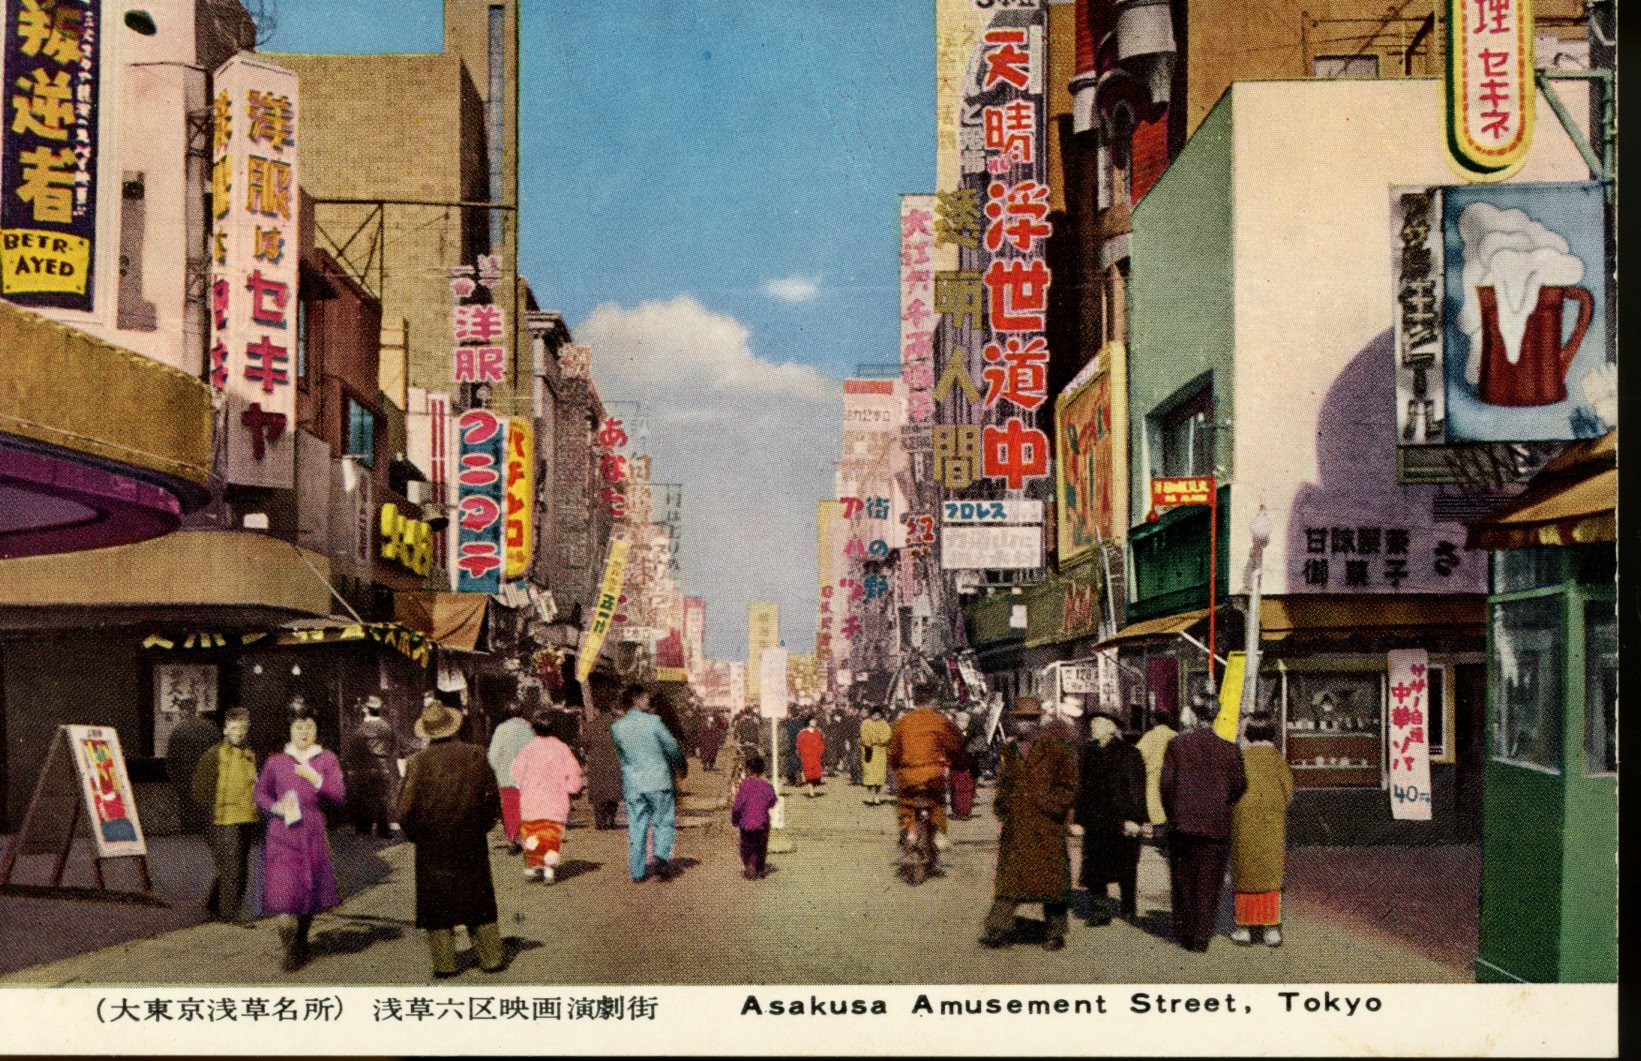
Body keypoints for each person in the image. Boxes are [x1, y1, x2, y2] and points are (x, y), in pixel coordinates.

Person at [397, 697, 506, 977]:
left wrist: (421, 836)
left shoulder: (417, 762)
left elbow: (404, 811)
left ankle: (445, 964)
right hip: (471, 840)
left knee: (437, 906)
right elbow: (492, 798)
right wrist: (481, 826)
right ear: (454, 727)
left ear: (428, 732)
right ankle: (491, 957)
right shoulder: (477, 754)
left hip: (432, 845)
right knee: (478, 900)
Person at [254, 701, 346, 971]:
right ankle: (290, 949)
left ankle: (302, 939)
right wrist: (275, 807)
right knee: (283, 892)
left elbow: (338, 795)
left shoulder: (326, 759)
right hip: (282, 834)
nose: (304, 732)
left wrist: (316, 779)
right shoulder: (276, 761)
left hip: (312, 831)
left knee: (309, 891)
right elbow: (260, 793)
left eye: (309, 727)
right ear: (289, 730)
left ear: (317, 730)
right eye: (298, 727)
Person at [981, 703, 1080, 950]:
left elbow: (1068, 785)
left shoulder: (1057, 749)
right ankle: (998, 928)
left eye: (1028, 719)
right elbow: (1004, 784)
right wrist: (1004, 809)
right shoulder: (1009, 750)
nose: (1023, 723)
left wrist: (1050, 806)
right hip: (1017, 826)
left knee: (1052, 882)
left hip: (1046, 825)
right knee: (1010, 880)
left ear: (1037, 721)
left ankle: (1055, 932)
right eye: (1019, 719)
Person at [1160, 708, 1248, 952]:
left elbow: (1166, 785)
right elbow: (1240, 785)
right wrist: (1223, 804)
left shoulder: (1177, 746)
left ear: (1193, 719)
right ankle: (1202, 934)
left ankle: (1186, 931)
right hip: (1215, 825)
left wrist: (1173, 813)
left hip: (1183, 825)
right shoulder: (1229, 749)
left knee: (1183, 878)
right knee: (1209, 881)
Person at [1075, 711, 1148, 924]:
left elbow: (1136, 788)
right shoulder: (1088, 752)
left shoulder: (1129, 752)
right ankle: (1100, 912)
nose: (1093, 726)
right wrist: (1079, 820)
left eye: (1098, 723)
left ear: (1111, 727)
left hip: (1121, 818)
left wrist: (1135, 819)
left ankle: (1128, 909)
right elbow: (1082, 789)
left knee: (1126, 866)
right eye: (1092, 723)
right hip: (1095, 819)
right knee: (1095, 867)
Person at [610, 685, 687, 882]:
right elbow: (671, 746)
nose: (648, 701)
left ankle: (637, 871)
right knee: (663, 820)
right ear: (636, 699)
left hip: (634, 784)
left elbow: (622, 756)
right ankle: (660, 855)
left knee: (636, 826)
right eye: (645, 697)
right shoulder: (654, 722)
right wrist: (681, 765)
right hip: (659, 781)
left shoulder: (617, 727)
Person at [1229, 717, 1294, 947]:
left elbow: (1231, 791)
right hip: (1271, 824)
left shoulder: (1240, 759)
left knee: (1244, 873)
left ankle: (1244, 929)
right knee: (1269, 873)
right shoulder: (1278, 760)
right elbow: (1288, 792)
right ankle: (1271, 930)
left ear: (1248, 735)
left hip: (1243, 823)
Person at [191, 707, 259, 924]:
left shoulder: (250, 755)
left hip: (247, 816)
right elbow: (200, 787)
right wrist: (211, 812)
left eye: (242, 728)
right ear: (225, 729)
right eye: (234, 727)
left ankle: (214, 904)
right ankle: (230, 913)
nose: (239, 732)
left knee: (238, 864)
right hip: (224, 818)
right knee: (233, 867)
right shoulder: (215, 755)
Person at [887, 680, 966, 846]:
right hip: (933, 774)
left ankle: (909, 830)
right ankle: (939, 834)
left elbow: (893, 752)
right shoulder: (941, 721)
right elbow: (955, 746)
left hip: (909, 775)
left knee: (906, 802)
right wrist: (958, 762)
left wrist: (894, 765)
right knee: (938, 801)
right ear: (932, 700)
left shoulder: (902, 722)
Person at [508, 709, 583, 885]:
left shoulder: (527, 749)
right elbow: (574, 772)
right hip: (555, 799)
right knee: (551, 833)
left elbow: (516, 771)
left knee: (532, 833)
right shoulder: (562, 748)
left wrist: (521, 785)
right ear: (554, 729)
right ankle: (549, 869)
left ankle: (533, 865)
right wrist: (571, 788)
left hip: (532, 799)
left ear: (534, 730)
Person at [343, 696, 399, 839]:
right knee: (382, 799)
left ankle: (364, 829)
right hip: (383, 767)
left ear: (367, 710)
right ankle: (383, 830)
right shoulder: (387, 727)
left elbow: (354, 748)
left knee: (363, 797)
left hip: (365, 767)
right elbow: (393, 745)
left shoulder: (361, 728)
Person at [486, 701, 535, 854]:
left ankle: (513, 838)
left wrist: (499, 770)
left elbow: (493, 755)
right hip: (527, 776)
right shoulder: (529, 728)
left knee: (510, 808)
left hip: (507, 777)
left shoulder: (502, 729)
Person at [166, 707, 222, 836]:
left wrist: (174, 777)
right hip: (207, 774)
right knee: (206, 804)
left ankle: (189, 831)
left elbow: (172, 757)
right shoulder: (210, 729)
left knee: (187, 804)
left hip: (185, 774)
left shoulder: (179, 730)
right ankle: (206, 830)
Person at [730, 754, 779, 880]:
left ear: (748, 769)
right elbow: (773, 801)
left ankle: (750, 864)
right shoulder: (766, 786)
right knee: (761, 845)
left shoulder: (745, 785)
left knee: (746, 845)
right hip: (762, 823)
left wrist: (735, 820)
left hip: (746, 823)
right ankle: (760, 866)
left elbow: (738, 806)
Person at [1136, 709, 1178, 836]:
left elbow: (1138, 757)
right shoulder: (1175, 736)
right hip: (1174, 779)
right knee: (1171, 812)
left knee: (1157, 813)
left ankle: (1159, 838)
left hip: (1154, 779)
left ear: (1153, 721)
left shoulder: (1150, 736)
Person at [582, 705, 624, 830]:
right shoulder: (619, 726)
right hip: (615, 763)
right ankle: (611, 820)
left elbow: (584, 743)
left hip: (597, 764)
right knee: (613, 793)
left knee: (598, 796)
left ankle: (600, 822)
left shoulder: (591, 726)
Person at [859, 706, 892, 804]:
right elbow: (864, 736)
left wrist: (877, 740)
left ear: (881, 715)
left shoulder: (884, 724)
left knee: (879, 775)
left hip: (880, 752)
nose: (876, 716)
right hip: (868, 752)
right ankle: (870, 795)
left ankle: (877, 795)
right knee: (869, 774)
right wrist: (871, 741)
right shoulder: (865, 723)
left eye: (878, 715)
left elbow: (887, 736)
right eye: (874, 714)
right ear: (871, 715)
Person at [795, 716, 826, 797]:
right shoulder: (802, 733)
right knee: (809, 773)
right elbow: (799, 744)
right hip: (807, 757)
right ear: (808, 722)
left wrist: (820, 752)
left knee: (816, 774)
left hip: (816, 757)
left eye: (815, 721)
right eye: (813, 721)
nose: (815, 722)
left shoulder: (818, 732)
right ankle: (811, 791)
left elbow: (822, 744)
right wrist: (803, 753)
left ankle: (813, 788)